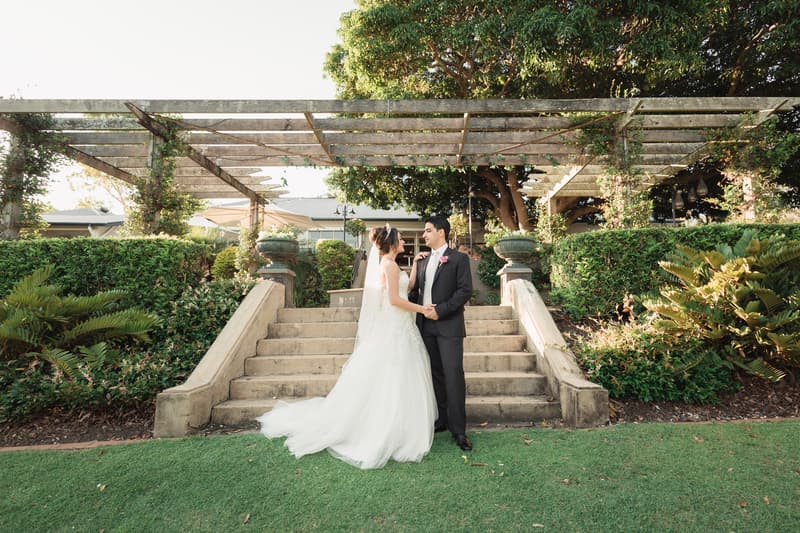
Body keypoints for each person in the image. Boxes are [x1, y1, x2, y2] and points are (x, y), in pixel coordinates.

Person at [257, 226, 438, 469]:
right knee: (394, 378)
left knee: (396, 378)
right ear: (393, 242)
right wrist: (423, 309)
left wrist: (415, 264)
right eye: (402, 238)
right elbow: (395, 301)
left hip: (400, 327)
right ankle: (391, 431)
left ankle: (396, 427)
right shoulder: (390, 266)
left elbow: (407, 288)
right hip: (395, 328)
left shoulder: (390, 264)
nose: (405, 241)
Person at [408, 215, 474, 451]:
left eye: (427, 231)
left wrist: (441, 311)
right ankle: (442, 420)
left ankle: (459, 430)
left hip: (448, 326)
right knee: (435, 374)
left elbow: (465, 290)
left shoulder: (458, 259)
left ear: (441, 232)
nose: (424, 235)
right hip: (425, 327)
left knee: (453, 374)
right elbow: (415, 291)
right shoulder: (423, 260)